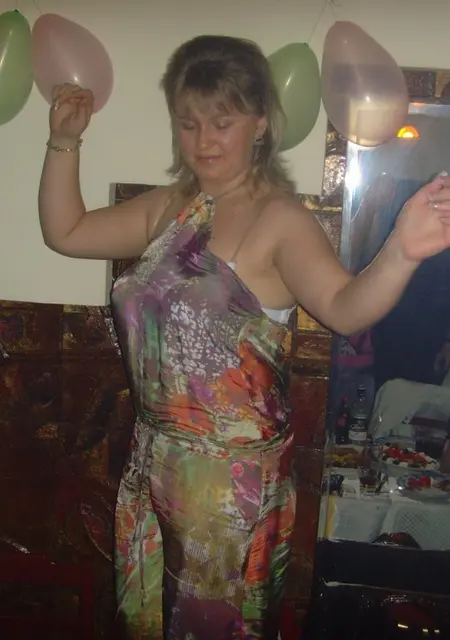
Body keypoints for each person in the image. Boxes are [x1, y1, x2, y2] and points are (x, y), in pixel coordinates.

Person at [38, 34, 450, 640]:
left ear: (259, 123)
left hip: (230, 487)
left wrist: (402, 252)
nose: (203, 140)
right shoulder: (169, 208)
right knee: (146, 620)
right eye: (188, 123)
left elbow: (345, 309)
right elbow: (67, 232)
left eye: (222, 122)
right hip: (154, 461)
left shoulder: (280, 219)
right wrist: (65, 140)